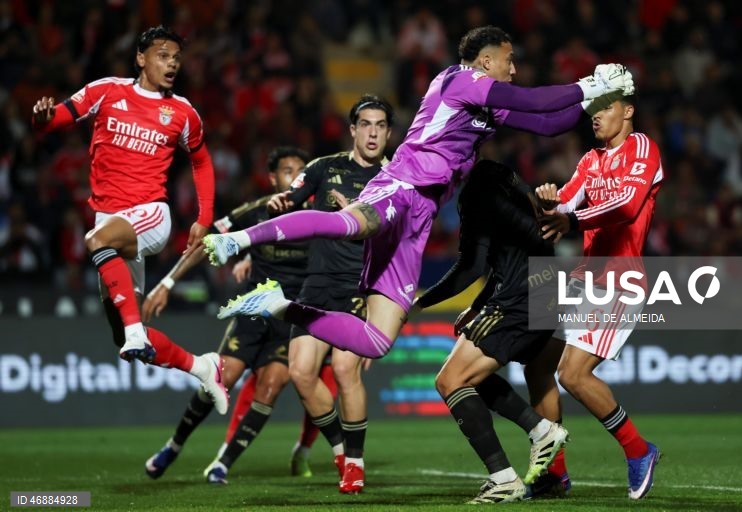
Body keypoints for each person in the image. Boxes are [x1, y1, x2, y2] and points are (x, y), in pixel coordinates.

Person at [206, 26, 633, 362]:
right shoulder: (459, 80)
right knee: (348, 226)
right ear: (486, 60)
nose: (513, 69)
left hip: (422, 213)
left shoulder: (487, 104)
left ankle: (277, 306)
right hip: (404, 184)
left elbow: (547, 123)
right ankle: (237, 239)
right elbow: (535, 101)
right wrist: (589, 85)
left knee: (376, 341)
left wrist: (599, 97)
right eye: (509, 60)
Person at [31, 26, 227, 413]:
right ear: (140, 58)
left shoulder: (183, 112)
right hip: (112, 219)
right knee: (122, 330)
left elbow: (202, 161)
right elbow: (59, 118)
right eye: (162, 55)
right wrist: (43, 119)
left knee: (96, 242)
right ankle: (202, 367)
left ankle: (137, 331)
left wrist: (204, 217)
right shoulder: (107, 91)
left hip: (151, 214)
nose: (172, 63)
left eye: (176, 58)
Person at [140, 146, 315, 483]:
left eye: (301, 171)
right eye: (287, 170)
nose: (295, 177)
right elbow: (208, 242)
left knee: (272, 385)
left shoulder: (318, 214)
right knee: (223, 377)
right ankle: (174, 445)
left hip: (292, 318)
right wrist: (168, 281)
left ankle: (223, 464)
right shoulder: (255, 212)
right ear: (273, 178)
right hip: (254, 312)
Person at [412, 160, 569, 503]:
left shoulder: (475, 194)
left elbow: (471, 267)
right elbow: (507, 256)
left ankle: (506, 476)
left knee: (450, 381)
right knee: (473, 377)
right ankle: (541, 430)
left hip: (520, 298)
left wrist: (420, 304)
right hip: (546, 290)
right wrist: (479, 304)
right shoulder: (506, 180)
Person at [535, 94, 663, 499]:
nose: (595, 117)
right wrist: (547, 202)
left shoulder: (642, 148)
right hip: (584, 279)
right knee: (537, 366)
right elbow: (566, 201)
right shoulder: (590, 160)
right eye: (593, 110)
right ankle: (554, 473)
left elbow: (626, 206)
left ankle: (639, 450)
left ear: (627, 111)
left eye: (605, 108)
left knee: (572, 374)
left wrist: (568, 218)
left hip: (619, 280)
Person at [267, 95, 393, 494]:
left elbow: (401, 242)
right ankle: (341, 450)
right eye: (365, 124)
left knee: (344, 370)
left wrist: (361, 214)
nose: (373, 132)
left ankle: (354, 465)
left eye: (380, 125)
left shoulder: (396, 179)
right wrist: (280, 203)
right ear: (353, 129)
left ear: (389, 133)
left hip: (358, 288)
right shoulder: (323, 168)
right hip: (316, 285)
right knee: (301, 373)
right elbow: (294, 198)